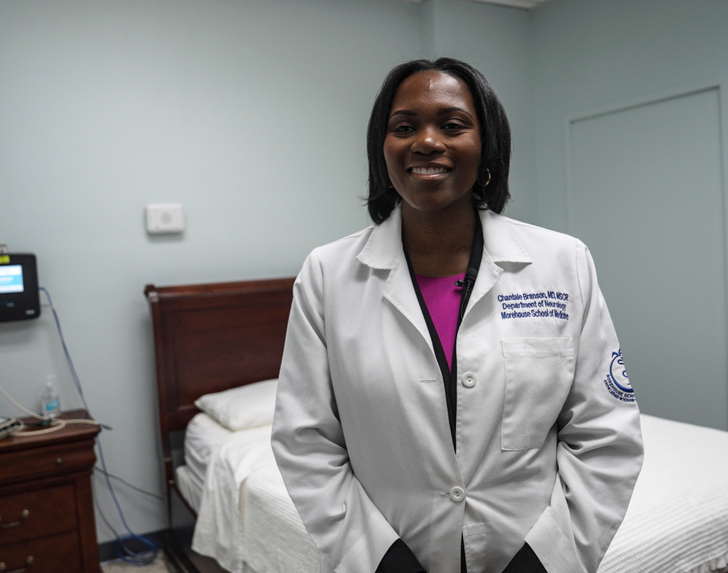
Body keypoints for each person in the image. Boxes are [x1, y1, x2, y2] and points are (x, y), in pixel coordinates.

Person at [271, 57, 643, 573]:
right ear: (383, 149)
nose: (427, 141)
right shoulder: (328, 275)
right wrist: (377, 558)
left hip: (531, 554)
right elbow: (305, 440)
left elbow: (605, 432)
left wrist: (550, 557)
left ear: (486, 146)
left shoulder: (563, 262)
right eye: (405, 127)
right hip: (391, 554)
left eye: (452, 125)